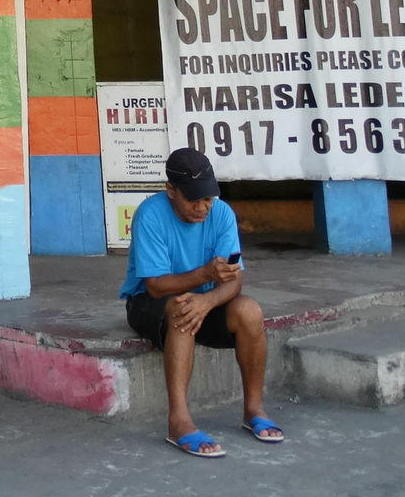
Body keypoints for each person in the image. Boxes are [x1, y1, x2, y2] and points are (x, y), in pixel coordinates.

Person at [120, 147, 285, 457]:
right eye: (193, 199)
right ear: (171, 190)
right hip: (149, 303)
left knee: (249, 310)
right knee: (182, 308)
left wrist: (207, 301)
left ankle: (254, 410)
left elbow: (234, 279)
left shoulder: (222, 213)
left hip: (205, 301)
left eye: (208, 198)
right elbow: (155, 286)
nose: (203, 207)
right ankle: (178, 421)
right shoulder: (150, 215)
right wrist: (205, 276)